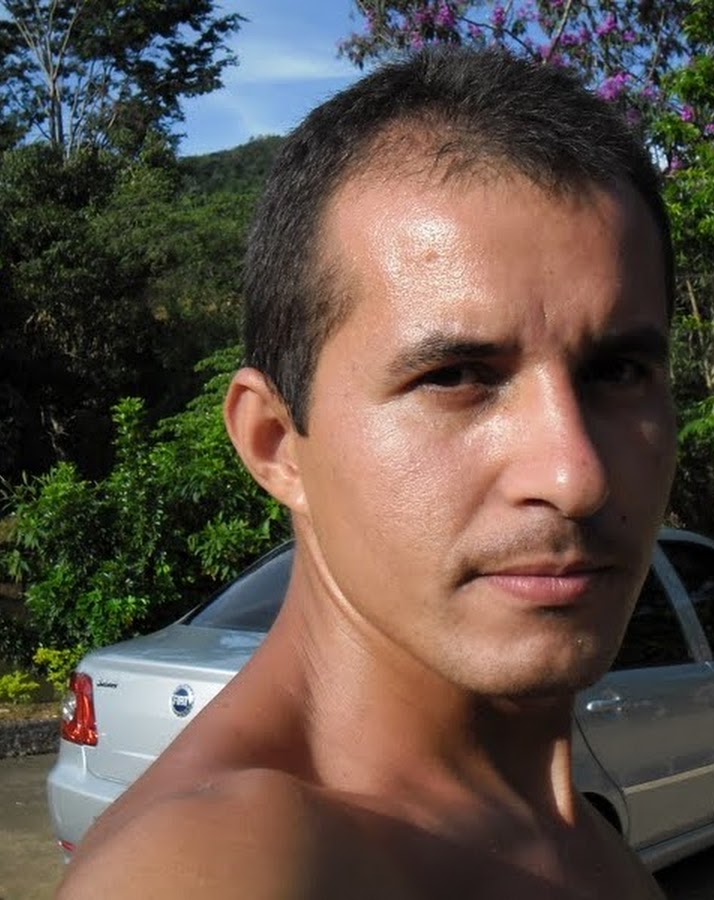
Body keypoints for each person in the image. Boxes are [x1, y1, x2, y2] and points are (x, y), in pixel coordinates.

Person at [59, 47, 676, 899]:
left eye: (618, 372)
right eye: (455, 377)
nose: (577, 477)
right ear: (276, 442)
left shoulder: (558, 833)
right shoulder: (227, 865)